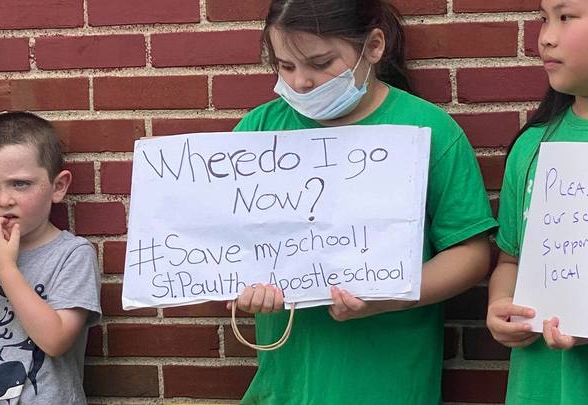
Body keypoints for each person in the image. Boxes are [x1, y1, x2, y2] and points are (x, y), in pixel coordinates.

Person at [228, 0, 497, 403]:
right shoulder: (258, 130)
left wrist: (389, 295)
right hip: (286, 384)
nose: (301, 82)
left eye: (320, 64)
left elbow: (471, 253)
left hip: (389, 380)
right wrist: (242, 288)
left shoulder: (428, 130)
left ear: (373, 47)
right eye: (285, 66)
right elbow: (225, 250)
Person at [0, 112, 101, 405]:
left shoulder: (73, 255)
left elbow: (55, 340)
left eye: (20, 184)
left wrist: (5, 267)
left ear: (58, 187)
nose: (4, 199)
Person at [487, 0, 588, 403]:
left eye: (566, 18)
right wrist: (500, 306)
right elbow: (511, 260)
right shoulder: (532, 147)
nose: (546, 37)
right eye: (543, 19)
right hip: (542, 385)